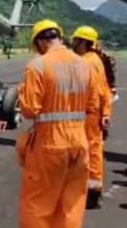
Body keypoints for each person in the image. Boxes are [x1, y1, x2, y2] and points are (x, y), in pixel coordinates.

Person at [16, 19, 101, 228]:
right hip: (79, 142)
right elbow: (93, 105)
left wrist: (21, 91)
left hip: (49, 143)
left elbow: (29, 110)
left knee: (38, 204)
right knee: (71, 206)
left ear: (39, 42)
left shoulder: (37, 65)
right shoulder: (85, 65)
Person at [71, 26, 112, 209]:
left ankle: (93, 192)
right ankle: (92, 189)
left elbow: (96, 90)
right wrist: (106, 113)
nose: (73, 43)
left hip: (87, 114)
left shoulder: (87, 62)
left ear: (83, 42)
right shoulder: (94, 60)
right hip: (91, 113)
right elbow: (105, 89)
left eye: (76, 40)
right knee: (91, 150)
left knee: (91, 152)